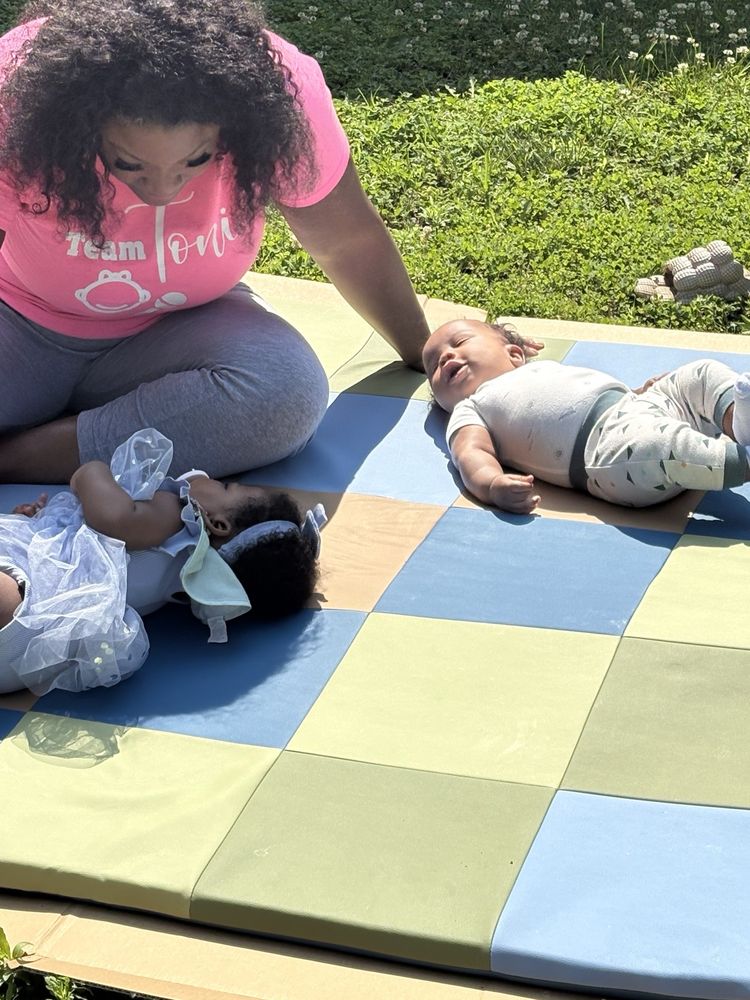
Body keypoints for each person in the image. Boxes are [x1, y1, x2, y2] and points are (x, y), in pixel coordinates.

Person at [0, 0, 436, 485]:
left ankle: (20, 455)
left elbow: (346, 240)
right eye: (129, 165)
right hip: (22, 327)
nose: (164, 191)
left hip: (188, 332)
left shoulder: (276, 88)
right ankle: (100, 430)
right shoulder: (19, 88)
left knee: (284, 394)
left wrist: (424, 349)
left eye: (197, 159)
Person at [0, 428, 325, 696]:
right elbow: (80, 550)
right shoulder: (176, 579)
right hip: (30, 652)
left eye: (225, 487)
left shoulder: (175, 515)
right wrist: (42, 527)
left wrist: (90, 472)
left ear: (217, 524)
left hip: (32, 606)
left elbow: (113, 518)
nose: (212, 478)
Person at [423, 318, 750, 513]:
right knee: (654, 445)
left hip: (633, 408)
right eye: (434, 365)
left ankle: (740, 419)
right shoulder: (472, 407)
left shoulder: (540, 370)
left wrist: (641, 393)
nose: (446, 357)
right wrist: (492, 484)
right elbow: (470, 453)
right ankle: (734, 462)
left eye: (460, 341)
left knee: (699, 374)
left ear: (514, 353)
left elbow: (592, 396)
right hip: (608, 456)